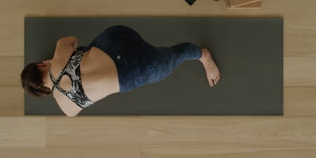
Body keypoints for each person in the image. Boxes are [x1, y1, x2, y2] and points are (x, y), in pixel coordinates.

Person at [21, 25, 220, 117]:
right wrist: (57, 59)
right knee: (82, 52)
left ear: (43, 90)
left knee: (172, 58)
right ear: (40, 65)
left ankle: (203, 55)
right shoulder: (58, 54)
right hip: (117, 38)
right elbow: (72, 40)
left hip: (134, 71)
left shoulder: (67, 110)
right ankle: (202, 55)